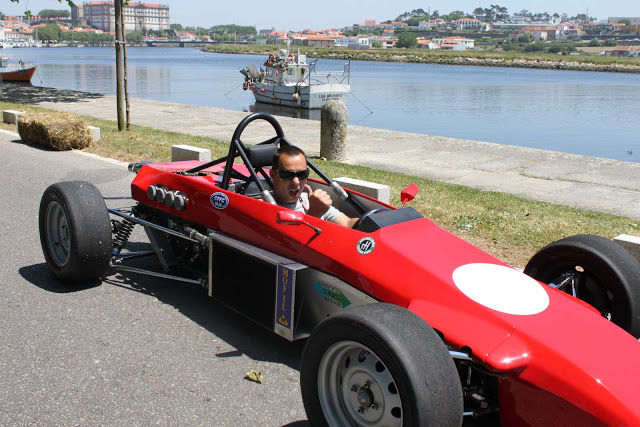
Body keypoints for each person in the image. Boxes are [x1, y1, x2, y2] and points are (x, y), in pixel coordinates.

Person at [270, 146, 357, 228]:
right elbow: (289, 241)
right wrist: (314, 213)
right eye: (287, 175)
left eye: (302, 174)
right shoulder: (265, 207)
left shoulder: (310, 200)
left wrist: (368, 223)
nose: (296, 182)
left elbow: (347, 223)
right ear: (273, 175)